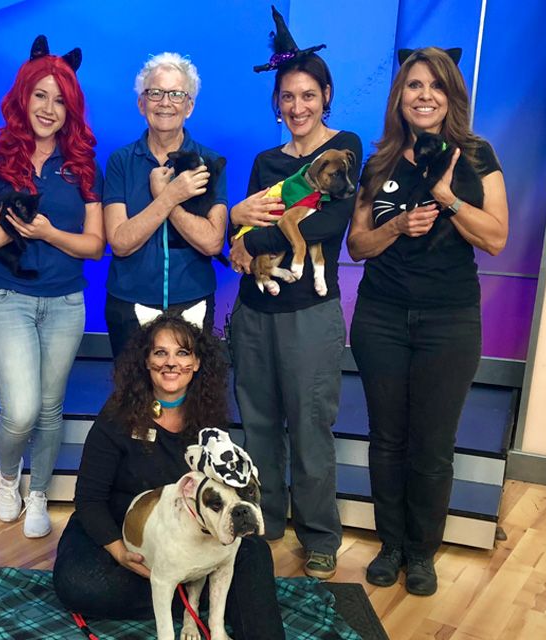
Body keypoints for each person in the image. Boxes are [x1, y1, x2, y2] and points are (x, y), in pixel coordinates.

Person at [347, 46, 508, 596]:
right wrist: (398, 228)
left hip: (450, 321)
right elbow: (359, 243)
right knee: (386, 438)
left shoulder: (477, 156)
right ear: (400, 96)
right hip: (382, 317)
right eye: (414, 85)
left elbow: (496, 237)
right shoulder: (381, 160)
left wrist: (445, 197)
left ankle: (422, 552)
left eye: (436, 86)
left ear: (451, 96)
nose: (425, 95)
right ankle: (390, 545)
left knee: (434, 444)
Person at [228, 8, 362, 580]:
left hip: (310, 313)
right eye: (288, 97)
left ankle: (320, 535)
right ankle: (266, 521)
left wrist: (263, 227)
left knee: (309, 425)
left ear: (325, 96)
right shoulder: (267, 160)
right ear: (277, 102)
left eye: (308, 95)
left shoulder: (344, 150)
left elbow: (331, 227)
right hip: (255, 308)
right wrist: (242, 230)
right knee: (257, 422)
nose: (298, 106)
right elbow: (250, 233)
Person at [52, 311, 284, 638]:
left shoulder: (211, 417)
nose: (171, 363)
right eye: (160, 352)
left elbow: (229, 492)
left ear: (198, 363)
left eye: (182, 353)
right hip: (123, 526)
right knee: (78, 583)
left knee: (255, 553)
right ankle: (189, 596)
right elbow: (89, 500)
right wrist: (119, 552)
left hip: (195, 531)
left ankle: (203, 600)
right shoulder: (118, 412)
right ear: (145, 362)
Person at [0, 36, 104, 538]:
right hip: (6, 298)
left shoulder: (84, 167)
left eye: (60, 99)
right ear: (23, 97)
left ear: (72, 107)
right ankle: (8, 479)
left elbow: (94, 246)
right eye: (40, 95)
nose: (49, 108)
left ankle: (39, 490)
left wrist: (49, 233)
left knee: (49, 408)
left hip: (66, 302)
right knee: (20, 411)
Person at [103, 52, 228, 358]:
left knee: (191, 401)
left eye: (176, 94)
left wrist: (167, 199)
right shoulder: (121, 161)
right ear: (141, 104)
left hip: (193, 302)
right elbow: (119, 242)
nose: (165, 102)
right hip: (129, 305)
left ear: (190, 106)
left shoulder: (208, 162)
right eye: (155, 93)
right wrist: (171, 195)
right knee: (132, 400)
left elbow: (212, 241)